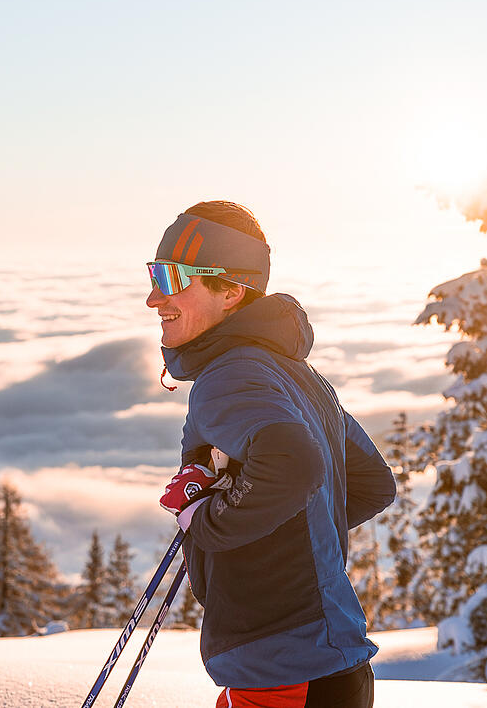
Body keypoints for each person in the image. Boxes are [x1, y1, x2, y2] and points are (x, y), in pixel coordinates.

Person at [151, 201, 396, 708]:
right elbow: (372, 484)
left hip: (286, 676)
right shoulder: (296, 376)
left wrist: (207, 520)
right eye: (155, 274)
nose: (154, 297)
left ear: (231, 290)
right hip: (331, 665)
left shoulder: (229, 376)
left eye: (173, 278)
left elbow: (294, 464)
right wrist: (281, 534)